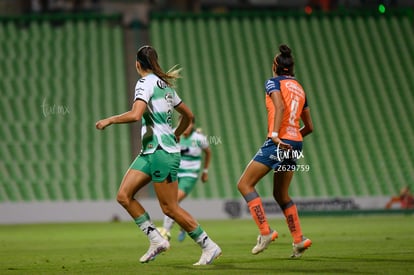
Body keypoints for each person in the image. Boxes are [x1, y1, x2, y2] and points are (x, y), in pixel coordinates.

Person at [95, 45, 221, 265]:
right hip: (151, 151)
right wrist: (177, 134)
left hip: (162, 153)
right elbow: (189, 116)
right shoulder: (166, 85)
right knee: (124, 195)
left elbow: (136, 115)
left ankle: (208, 245)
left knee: (170, 208)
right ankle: (156, 240)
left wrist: (110, 120)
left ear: (137, 64)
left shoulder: (144, 83)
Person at [237, 44, 314, 258]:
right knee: (281, 194)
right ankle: (299, 239)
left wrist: (275, 135)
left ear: (275, 66)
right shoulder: (300, 88)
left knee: (244, 184)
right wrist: (292, 138)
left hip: (279, 141)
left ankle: (266, 232)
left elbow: (279, 107)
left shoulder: (272, 82)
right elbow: (309, 127)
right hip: (295, 142)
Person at [159, 118, 211, 242]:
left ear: (192, 125)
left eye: (188, 124)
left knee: (173, 202)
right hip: (174, 173)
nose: (185, 126)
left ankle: (165, 233)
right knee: (171, 203)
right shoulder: (173, 134)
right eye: (182, 123)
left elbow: (208, 153)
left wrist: (205, 171)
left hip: (190, 175)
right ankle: (184, 225)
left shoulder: (199, 138)